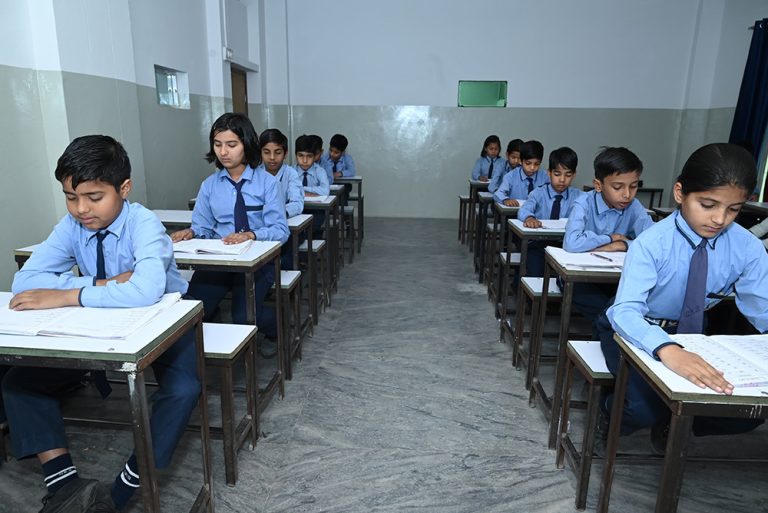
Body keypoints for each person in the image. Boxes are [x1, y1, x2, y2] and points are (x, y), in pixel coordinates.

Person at [4, 135, 198, 512]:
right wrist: (100, 284)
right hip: (99, 324)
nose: (81, 209)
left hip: (165, 321)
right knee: (19, 381)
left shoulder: (144, 224)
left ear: (123, 188)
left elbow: (145, 290)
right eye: (70, 197)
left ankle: (118, 494)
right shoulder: (72, 225)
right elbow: (25, 280)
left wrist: (65, 293)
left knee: (183, 390)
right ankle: (65, 487)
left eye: (94, 197)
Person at [597, 143, 768, 451]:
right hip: (635, 326)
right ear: (680, 193)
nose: (720, 219)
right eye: (708, 205)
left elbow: (762, 308)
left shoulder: (748, 248)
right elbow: (625, 312)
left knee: (747, 409)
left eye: (733, 209)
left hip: (693, 332)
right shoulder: (651, 243)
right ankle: (609, 412)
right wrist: (667, 348)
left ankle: (672, 422)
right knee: (644, 408)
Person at [171, 113, 288, 343]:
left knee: (244, 317)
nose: (223, 152)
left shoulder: (267, 182)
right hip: (220, 260)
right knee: (191, 308)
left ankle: (278, 326)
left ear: (246, 144)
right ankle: (210, 329)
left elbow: (280, 230)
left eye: (231, 145)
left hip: (258, 263)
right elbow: (203, 226)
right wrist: (192, 232)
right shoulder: (209, 185)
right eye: (218, 145)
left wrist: (251, 235)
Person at [563, 147, 654, 328]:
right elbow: (572, 242)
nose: (627, 194)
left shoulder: (634, 206)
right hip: (580, 275)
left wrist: (623, 245)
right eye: (618, 187)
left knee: (631, 302)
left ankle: (609, 328)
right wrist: (610, 239)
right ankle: (609, 328)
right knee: (607, 310)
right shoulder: (583, 203)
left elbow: (654, 241)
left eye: (634, 186)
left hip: (616, 276)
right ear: (598, 185)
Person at [517, 147, 582, 276]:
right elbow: (524, 209)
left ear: (574, 175)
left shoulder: (579, 196)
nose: (562, 180)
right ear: (549, 173)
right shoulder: (538, 193)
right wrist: (529, 218)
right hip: (539, 243)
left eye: (568, 175)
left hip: (565, 245)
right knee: (534, 270)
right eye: (557, 174)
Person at [492, 140, 549, 206]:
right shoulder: (511, 176)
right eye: (528, 163)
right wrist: (505, 200)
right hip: (515, 211)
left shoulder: (545, 176)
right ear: (520, 161)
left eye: (537, 164)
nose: (532, 168)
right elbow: (498, 193)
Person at [295, 134, 330, 236]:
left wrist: (303, 189)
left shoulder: (320, 171)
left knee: (317, 222)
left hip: (316, 210)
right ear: (295, 155)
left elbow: (325, 190)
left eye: (309, 156)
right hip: (297, 209)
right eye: (301, 156)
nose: (305, 160)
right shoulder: (291, 171)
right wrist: (307, 192)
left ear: (315, 157)